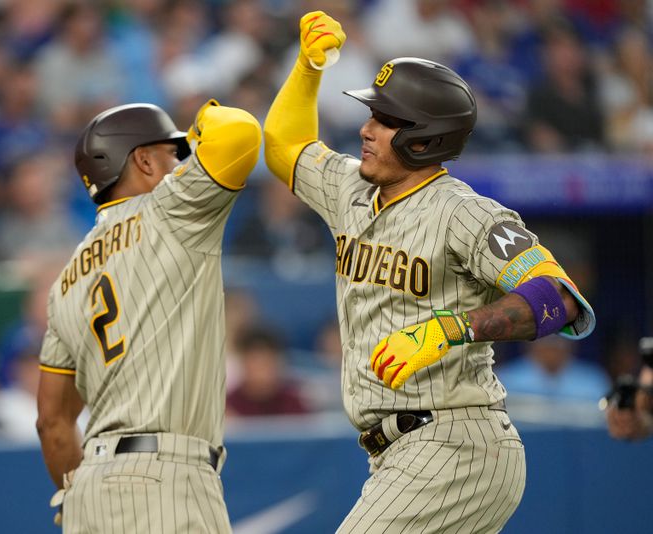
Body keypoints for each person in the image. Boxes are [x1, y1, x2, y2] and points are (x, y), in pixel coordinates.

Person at [263, 11, 596, 533]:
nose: (365, 129)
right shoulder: (352, 189)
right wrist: (307, 68)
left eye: (384, 120)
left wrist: (451, 329)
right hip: (397, 453)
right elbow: (284, 148)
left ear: (424, 139)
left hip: (456, 443)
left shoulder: (465, 212)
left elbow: (560, 298)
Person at [35, 100, 261, 533]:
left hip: (89, 490)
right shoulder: (173, 209)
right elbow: (241, 131)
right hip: (167, 479)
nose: (182, 161)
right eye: (173, 152)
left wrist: (78, 494)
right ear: (143, 160)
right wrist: (198, 130)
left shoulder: (65, 280)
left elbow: (53, 423)